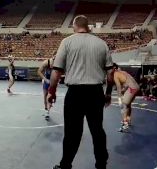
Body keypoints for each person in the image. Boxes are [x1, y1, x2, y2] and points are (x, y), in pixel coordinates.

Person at [48, 15, 113, 169]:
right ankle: (101, 165)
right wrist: (108, 93)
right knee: (97, 131)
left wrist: (52, 91)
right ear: (87, 26)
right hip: (95, 93)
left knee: (72, 133)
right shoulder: (101, 44)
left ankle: (65, 165)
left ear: (75, 25)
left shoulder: (67, 42)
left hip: (75, 94)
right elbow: (110, 74)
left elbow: (56, 72)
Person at [109, 64, 139, 132]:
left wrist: (119, 98)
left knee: (123, 105)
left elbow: (118, 87)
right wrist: (124, 91)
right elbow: (127, 83)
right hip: (136, 87)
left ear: (113, 69)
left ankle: (125, 125)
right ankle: (128, 120)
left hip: (132, 88)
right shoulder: (123, 72)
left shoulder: (115, 75)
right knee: (128, 104)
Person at [37, 55, 55, 119]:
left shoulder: (58, 64)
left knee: (50, 96)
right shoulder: (45, 63)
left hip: (53, 80)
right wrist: (45, 79)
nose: (51, 66)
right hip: (46, 79)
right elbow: (39, 71)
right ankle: (45, 109)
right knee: (45, 95)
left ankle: (47, 111)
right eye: (51, 64)